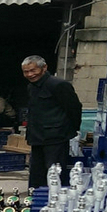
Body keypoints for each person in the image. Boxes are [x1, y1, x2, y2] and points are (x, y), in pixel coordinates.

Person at [21, 55, 82, 187]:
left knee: (54, 173)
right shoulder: (32, 87)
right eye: (26, 72)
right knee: (37, 173)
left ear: (44, 68)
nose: (30, 74)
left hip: (55, 138)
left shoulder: (58, 85)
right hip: (37, 137)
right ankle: (36, 195)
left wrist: (70, 130)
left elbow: (74, 108)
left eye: (33, 70)